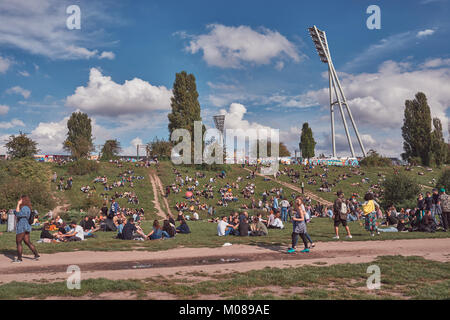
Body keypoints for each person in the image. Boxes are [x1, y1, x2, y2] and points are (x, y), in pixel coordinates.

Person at [13, 196, 40, 263]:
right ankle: (36, 255)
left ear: (23, 200)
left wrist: (18, 204)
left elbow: (18, 214)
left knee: (18, 242)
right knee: (27, 241)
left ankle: (19, 259)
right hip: (27, 226)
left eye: (20, 199)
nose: (19, 200)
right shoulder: (28, 208)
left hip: (22, 226)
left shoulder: (24, 208)